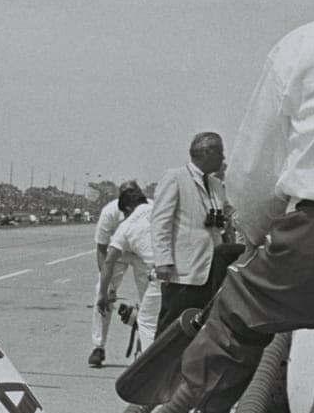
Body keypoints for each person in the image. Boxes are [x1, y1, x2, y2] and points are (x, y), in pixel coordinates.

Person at [162, 21, 314, 413]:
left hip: (310, 234)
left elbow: (255, 171)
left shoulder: (301, 46)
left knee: (233, 319)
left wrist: (251, 236)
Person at [150, 132, 230, 333]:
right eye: (220, 152)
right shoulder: (175, 178)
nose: (223, 158)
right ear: (207, 152)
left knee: (201, 327)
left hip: (211, 269)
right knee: (172, 327)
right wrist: (163, 261)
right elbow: (161, 222)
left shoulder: (216, 185)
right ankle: (161, 364)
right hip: (183, 271)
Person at [89, 180, 151, 367]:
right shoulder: (110, 212)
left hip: (142, 253)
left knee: (149, 297)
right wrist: (107, 287)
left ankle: (145, 344)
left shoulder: (151, 207)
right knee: (101, 292)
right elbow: (101, 249)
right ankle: (98, 346)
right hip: (119, 253)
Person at [96, 186, 160, 351]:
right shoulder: (159, 209)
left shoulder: (126, 225)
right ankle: (99, 345)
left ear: (128, 208)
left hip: (157, 270)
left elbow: (108, 262)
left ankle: (149, 365)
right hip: (183, 266)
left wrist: (103, 293)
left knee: (145, 321)